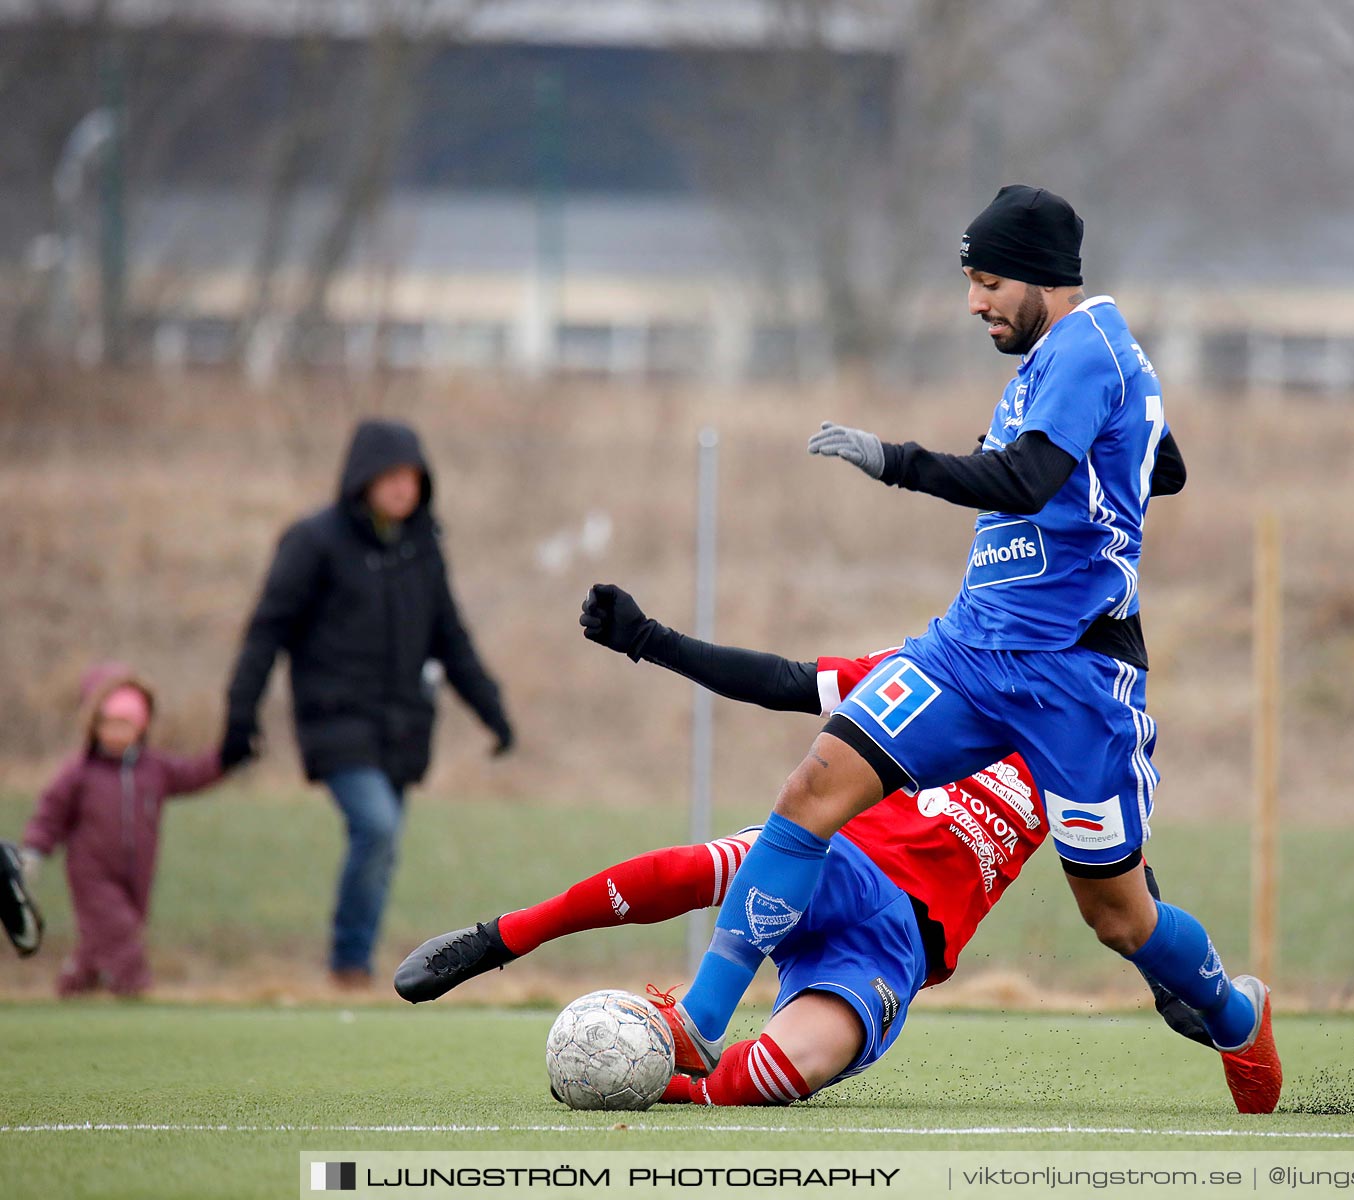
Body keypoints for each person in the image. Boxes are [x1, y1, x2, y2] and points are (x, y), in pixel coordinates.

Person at [656, 185, 1281, 1114]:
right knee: (812, 791)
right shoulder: (1066, 361)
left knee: (1118, 917)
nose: (976, 301)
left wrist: (897, 460)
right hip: (969, 653)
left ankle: (1235, 1015)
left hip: (1072, 679)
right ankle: (699, 1023)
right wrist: (1124, 453)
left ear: (1040, 277)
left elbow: (1028, 479)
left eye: (988, 280)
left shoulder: (1087, 348)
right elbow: (1164, 464)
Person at [393, 584, 1217, 1105]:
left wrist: (1162, 978)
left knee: (789, 1073)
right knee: (708, 865)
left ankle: (654, 1077)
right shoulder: (937, 668)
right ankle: (501, 936)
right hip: (837, 863)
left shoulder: (1091, 733)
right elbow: (788, 682)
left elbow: (1119, 874)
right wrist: (652, 640)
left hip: (901, 945)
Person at [222, 419, 515, 987]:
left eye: (413, 478)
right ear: (363, 478)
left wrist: (492, 710)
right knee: (377, 829)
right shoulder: (313, 541)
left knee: (384, 847)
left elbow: (450, 636)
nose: (404, 488)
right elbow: (267, 630)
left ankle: (359, 963)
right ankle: (350, 967)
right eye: (392, 476)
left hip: (403, 729)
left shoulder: (423, 546)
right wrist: (241, 713)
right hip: (336, 724)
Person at [17, 663, 231, 996]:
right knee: (120, 932)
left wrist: (229, 758)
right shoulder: (80, 773)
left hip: (137, 875)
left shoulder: (155, 769)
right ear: (94, 727)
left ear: (142, 728)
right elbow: (50, 814)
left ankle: (73, 986)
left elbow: (194, 774)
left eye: (125, 726)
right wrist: (34, 850)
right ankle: (135, 989)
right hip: (91, 874)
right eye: (110, 725)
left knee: (99, 941)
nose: (117, 734)